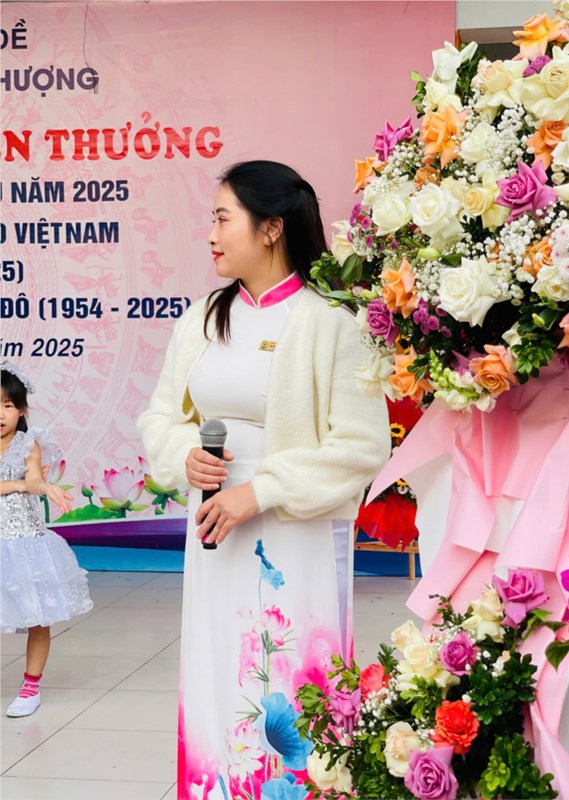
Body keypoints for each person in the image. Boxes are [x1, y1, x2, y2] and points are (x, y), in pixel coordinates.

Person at [138, 160, 389, 800]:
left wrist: (262, 490)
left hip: (293, 529)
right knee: (218, 660)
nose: (212, 234)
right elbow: (160, 417)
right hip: (213, 527)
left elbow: (363, 446)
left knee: (287, 666)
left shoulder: (333, 321)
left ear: (271, 227)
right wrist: (184, 455)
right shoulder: (202, 318)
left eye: (224, 219)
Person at [0, 360, 93, 718]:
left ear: (22, 410)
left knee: (38, 616)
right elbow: (22, 483)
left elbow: (35, 479)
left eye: (8, 405)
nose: (1, 414)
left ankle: (30, 687)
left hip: (25, 542)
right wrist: (19, 484)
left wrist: (44, 488)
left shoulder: (29, 443)